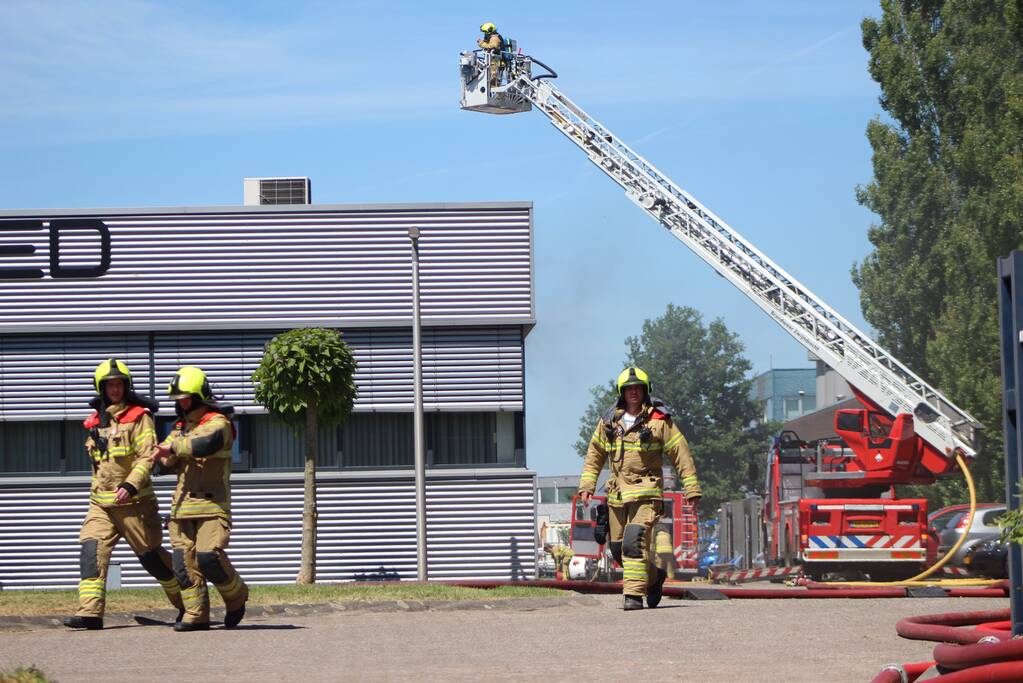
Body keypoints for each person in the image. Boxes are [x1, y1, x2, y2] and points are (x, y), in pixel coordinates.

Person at [63, 359, 184, 630]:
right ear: (101, 387)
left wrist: (130, 485)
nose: (115, 389)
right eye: (110, 384)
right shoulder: (95, 422)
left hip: (135, 503)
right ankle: (90, 614)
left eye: (119, 384)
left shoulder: (139, 417)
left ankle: (188, 604)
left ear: (126, 387)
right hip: (101, 504)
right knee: (91, 551)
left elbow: (147, 457)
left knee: (152, 559)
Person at [578, 367, 701, 610]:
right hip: (617, 496)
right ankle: (654, 578)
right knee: (617, 549)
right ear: (621, 393)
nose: (634, 392)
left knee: (633, 542)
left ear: (646, 391)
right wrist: (587, 486)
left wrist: (691, 487)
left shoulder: (659, 420)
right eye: (628, 389)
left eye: (638, 388)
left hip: (647, 494)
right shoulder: (609, 421)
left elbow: (681, 453)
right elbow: (594, 454)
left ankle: (633, 596)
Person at [151, 366, 248, 631]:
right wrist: (159, 457)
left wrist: (173, 447)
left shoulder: (219, 423)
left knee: (209, 558)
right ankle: (197, 614)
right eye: (178, 399)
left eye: (186, 398)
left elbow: (206, 444)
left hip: (212, 506)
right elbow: (167, 459)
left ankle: (236, 596)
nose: (181, 403)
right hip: (181, 509)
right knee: (183, 564)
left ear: (198, 396)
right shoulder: (180, 427)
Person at [477, 22, 504, 86]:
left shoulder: (494, 38)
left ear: (489, 30)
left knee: (493, 78)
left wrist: (481, 43)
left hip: (495, 60)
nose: (485, 34)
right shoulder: (493, 37)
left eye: (485, 32)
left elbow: (492, 46)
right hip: (493, 60)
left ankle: (494, 90)